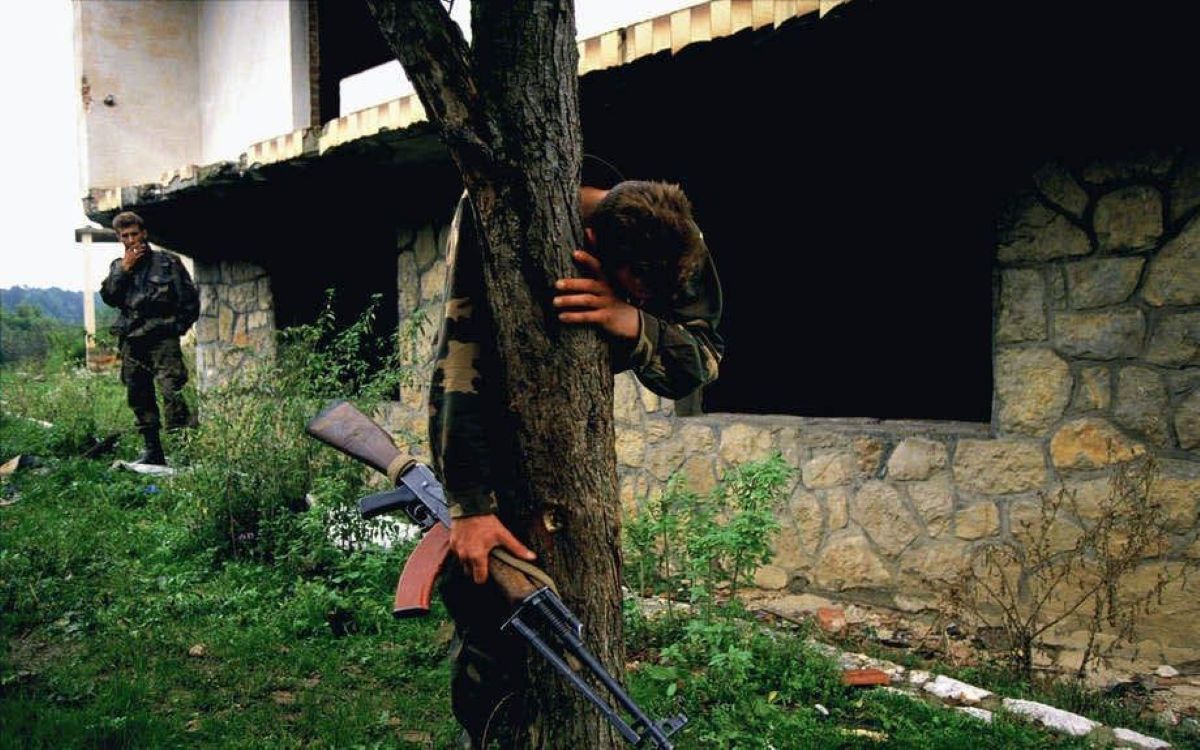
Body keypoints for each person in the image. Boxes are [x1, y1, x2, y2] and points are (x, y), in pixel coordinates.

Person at [427, 158, 723, 747]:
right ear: (589, 245)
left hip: (576, 456)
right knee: (488, 615)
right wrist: (467, 504)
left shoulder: (673, 237)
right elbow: (459, 359)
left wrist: (632, 319)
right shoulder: (494, 212)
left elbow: (703, 360)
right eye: (635, 288)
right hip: (497, 426)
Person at [100, 211, 200, 465]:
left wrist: (176, 328)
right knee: (139, 394)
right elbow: (109, 297)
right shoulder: (118, 267)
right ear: (119, 238)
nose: (132, 240)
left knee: (172, 391)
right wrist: (124, 269)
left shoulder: (168, 262)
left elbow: (189, 299)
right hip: (132, 340)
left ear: (144, 233)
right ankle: (153, 451)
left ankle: (182, 450)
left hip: (162, 339)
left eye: (135, 233)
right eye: (125, 236)